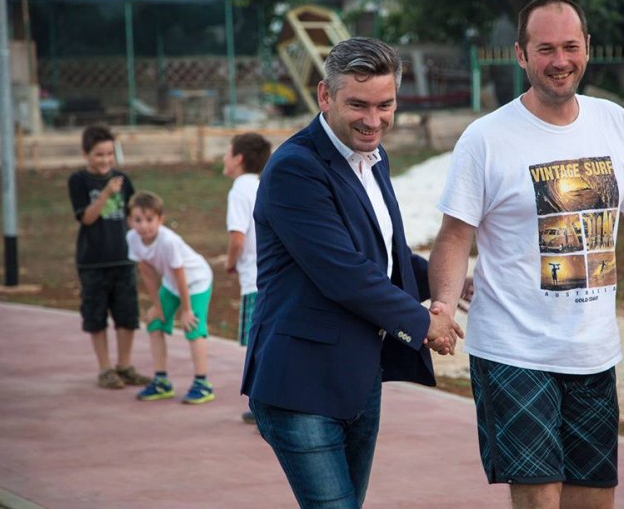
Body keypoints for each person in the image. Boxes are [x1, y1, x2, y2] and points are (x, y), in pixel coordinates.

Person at [428, 0, 624, 509]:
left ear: (588, 48)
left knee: (594, 498)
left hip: (592, 351)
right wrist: (443, 305)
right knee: (538, 496)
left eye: (570, 47)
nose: (560, 61)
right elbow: (454, 234)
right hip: (512, 349)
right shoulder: (485, 138)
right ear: (520, 54)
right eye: (546, 49)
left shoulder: (616, 123)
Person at [241, 37, 464, 508]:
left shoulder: (373, 159)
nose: (373, 120)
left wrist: (453, 280)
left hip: (358, 379)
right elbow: (343, 272)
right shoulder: (295, 169)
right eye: (358, 105)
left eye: (385, 105)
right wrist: (425, 324)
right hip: (299, 385)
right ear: (325, 95)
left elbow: (383, 256)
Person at [67, 124, 151, 390]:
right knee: (96, 315)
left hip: (123, 259)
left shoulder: (123, 179)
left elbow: (133, 215)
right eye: (99, 154)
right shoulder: (78, 181)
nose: (105, 160)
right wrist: (105, 194)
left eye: (109, 154)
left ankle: (124, 366)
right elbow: (87, 218)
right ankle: (105, 369)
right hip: (93, 262)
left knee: (127, 315)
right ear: (86, 154)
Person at [126, 191, 215, 405]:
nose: (144, 225)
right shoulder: (132, 239)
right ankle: (161, 381)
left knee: (193, 327)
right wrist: (157, 306)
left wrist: (186, 309)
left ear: (160, 219)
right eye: (138, 220)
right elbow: (147, 273)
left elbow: (180, 274)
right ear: (129, 221)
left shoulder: (168, 241)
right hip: (172, 283)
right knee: (155, 323)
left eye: (149, 219)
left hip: (196, 281)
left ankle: (202, 384)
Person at [222, 132, 271, 423]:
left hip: (253, 278)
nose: (224, 158)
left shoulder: (239, 190)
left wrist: (230, 263)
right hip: (269, 274)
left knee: (258, 345)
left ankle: (265, 404)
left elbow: (237, 237)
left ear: (238, 158)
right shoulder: (262, 185)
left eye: (227, 153)